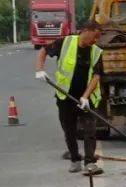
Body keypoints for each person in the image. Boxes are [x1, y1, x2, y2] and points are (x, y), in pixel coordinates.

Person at [35, 21, 105, 174]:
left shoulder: (96, 51)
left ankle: (89, 163)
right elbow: (44, 50)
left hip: (86, 99)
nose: (95, 41)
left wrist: (85, 97)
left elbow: (96, 76)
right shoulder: (65, 43)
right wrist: (40, 69)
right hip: (65, 97)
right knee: (69, 131)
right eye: (95, 37)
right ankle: (75, 159)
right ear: (86, 31)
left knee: (90, 130)